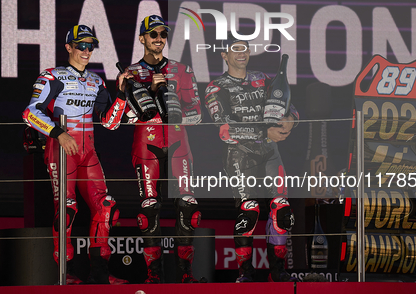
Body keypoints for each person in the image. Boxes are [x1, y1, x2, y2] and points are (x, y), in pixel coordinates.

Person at [22, 25, 130, 285]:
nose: (86, 51)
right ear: (68, 47)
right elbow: (29, 112)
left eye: (90, 46)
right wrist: (58, 133)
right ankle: (66, 272)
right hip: (61, 151)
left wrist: (122, 92)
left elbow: (110, 123)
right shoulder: (52, 76)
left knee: (106, 208)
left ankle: (100, 273)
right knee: (67, 209)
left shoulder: (96, 81)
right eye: (81, 45)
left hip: (88, 153)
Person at [204, 39, 299, 283]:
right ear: (225, 55)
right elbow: (224, 131)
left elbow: (287, 106)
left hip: (270, 152)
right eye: (235, 49)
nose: (241, 53)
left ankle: (278, 272)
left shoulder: (262, 78)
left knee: (282, 210)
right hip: (239, 155)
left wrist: (292, 119)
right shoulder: (216, 87)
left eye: (245, 48)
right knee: (249, 212)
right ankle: (245, 273)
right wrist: (264, 132)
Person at [121, 15, 203, 283]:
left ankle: (185, 274)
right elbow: (124, 118)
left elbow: (198, 115)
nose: (159, 39)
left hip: (180, 143)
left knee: (188, 207)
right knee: (149, 208)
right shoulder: (130, 73)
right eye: (153, 34)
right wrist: (147, 100)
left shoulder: (182, 69)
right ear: (142, 38)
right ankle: (152, 275)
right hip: (146, 144)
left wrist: (173, 104)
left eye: (163, 34)